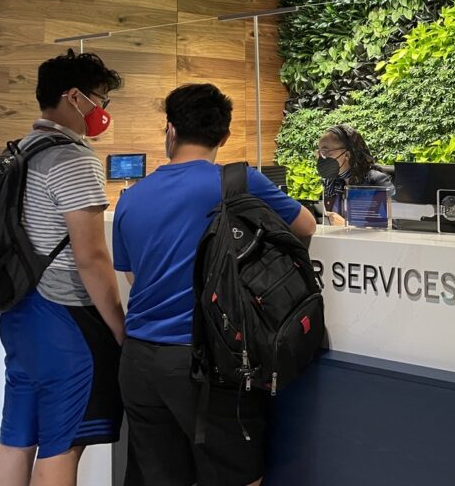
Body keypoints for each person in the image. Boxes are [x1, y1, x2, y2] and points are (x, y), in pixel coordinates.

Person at [112, 83, 315, 486]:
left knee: (159, 477)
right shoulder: (236, 182)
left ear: (169, 130)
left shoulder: (132, 196)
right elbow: (305, 226)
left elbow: (132, 273)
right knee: (236, 476)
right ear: (223, 136)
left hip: (139, 360)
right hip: (207, 360)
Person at [0, 50, 125, 486]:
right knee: (62, 445)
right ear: (73, 98)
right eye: (100, 100)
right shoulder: (74, 158)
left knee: (15, 438)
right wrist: (119, 327)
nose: (102, 112)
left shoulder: (21, 150)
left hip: (21, 312)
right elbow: (91, 258)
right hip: (66, 320)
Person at [316, 124, 392, 226]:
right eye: (319, 153)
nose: (320, 158)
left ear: (347, 155)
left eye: (325, 152)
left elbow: (393, 227)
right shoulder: (331, 183)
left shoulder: (376, 181)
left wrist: (347, 225)